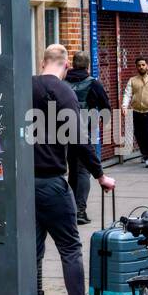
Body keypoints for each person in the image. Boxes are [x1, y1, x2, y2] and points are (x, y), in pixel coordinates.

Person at [31, 43, 115, 295]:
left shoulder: (24, 87)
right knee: (70, 250)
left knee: (33, 254)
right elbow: (79, 142)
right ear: (66, 66)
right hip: (53, 184)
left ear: (42, 61)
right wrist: (101, 175)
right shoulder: (64, 92)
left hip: (25, 185)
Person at [65, 51, 111, 224]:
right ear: (87, 66)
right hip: (86, 131)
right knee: (84, 170)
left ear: (73, 64)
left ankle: (71, 209)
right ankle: (80, 212)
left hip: (65, 131)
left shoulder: (63, 82)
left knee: (72, 170)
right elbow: (106, 107)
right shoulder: (94, 84)